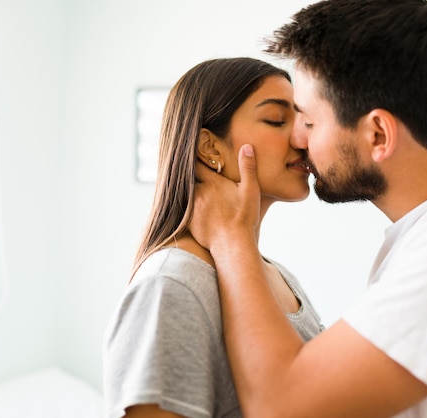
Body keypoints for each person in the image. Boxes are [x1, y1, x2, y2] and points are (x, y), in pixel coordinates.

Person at [188, 1, 427, 417]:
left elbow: (282, 407)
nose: (299, 138)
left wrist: (232, 238)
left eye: (310, 121)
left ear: (377, 134)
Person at [102, 57, 324, 418]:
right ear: (209, 148)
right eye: (276, 120)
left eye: (302, 120)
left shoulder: (282, 278)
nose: (302, 137)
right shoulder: (172, 285)